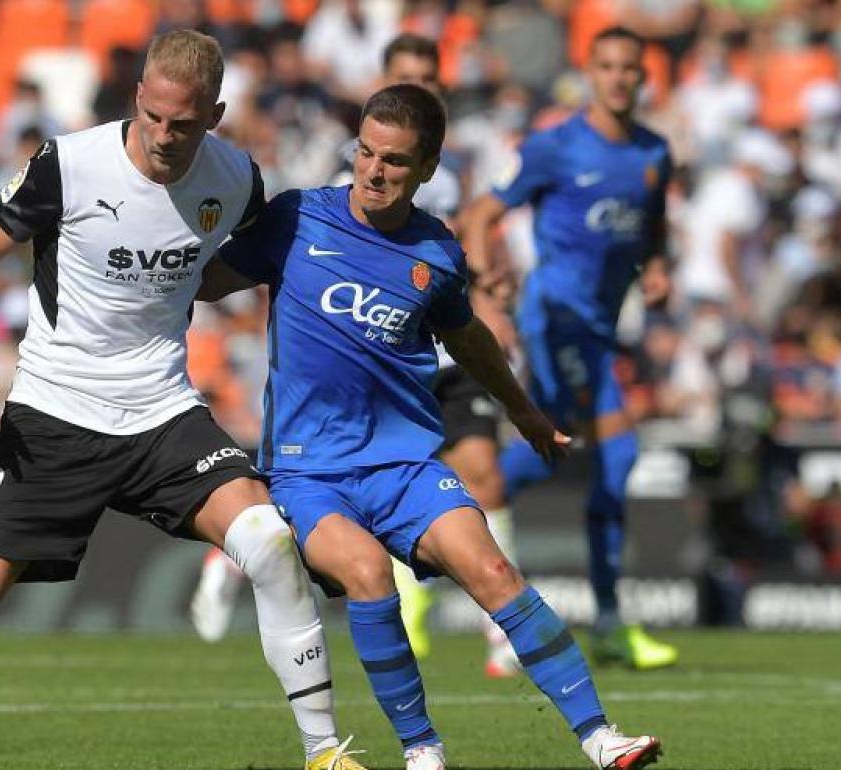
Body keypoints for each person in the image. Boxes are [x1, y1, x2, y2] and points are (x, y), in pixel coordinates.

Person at [0, 30, 369, 770]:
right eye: (151, 115)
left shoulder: (236, 179)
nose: (161, 135)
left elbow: (228, 268)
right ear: (138, 99)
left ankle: (323, 753)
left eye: (181, 124)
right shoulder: (70, 164)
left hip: (161, 411)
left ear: (213, 115)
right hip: (56, 413)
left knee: (270, 542)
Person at [198, 84, 662, 770]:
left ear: (428, 169)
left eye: (393, 161)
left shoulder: (438, 254)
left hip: (404, 465)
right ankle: (423, 753)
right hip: (309, 470)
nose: (373, 171)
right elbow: (202, 284)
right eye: (365, 152)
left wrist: (523, 410)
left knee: (494, 569)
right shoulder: (298, 220)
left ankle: (601, 738)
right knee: (367, 574)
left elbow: (468, 338)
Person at [189, 32, 521, 679]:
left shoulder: (447, 179)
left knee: (483, 474)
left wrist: (493, 282)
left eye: (429, 79)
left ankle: (495, 631)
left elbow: (461, 258)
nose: (419, 86)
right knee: (348, 507)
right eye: (406, 76)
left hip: (434, 356)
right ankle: (242, 545)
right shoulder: (354, 184)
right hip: (363, 373)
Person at [459, 26, 679, 670]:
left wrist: (657, 267)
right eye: (606, 66)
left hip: (601, 326)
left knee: (557, 455)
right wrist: (487, 283)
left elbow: (653, 226)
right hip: (553, 320)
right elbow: (479, 214)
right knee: (618, 452)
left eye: (628, 68)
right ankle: (608, 621)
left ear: (643, 77)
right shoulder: (554, 147)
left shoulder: (654, 153)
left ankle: (471, 499)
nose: (618, 78)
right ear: (589, 72)